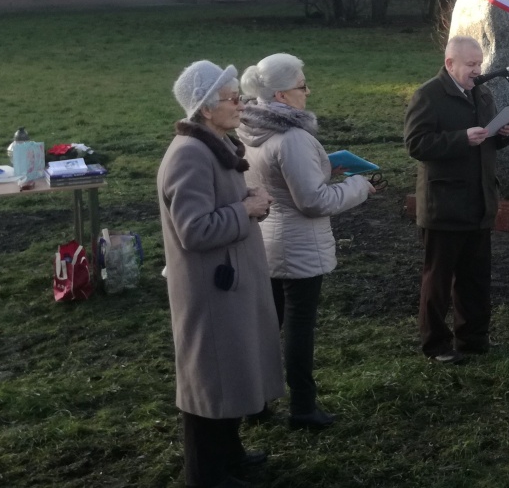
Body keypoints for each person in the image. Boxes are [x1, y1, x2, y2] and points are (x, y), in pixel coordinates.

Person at [158, 60, 285, 488]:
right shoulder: (190, 155)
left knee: (228, 373)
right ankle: (205, 475)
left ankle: (229, 455)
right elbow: (193, 230)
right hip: (210, 290)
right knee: (208, 381)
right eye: (233, 98)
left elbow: (215, 205)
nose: (241, 105)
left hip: (229, 283)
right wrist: (244, 209)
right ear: (206, 108)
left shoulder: (215, 144)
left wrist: (244, 198)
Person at [237, 53, 376, 429]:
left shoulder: (248, 127)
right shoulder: (293, 138)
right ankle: (302, 407)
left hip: (263, 241)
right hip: (297, 246)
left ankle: (256, 402)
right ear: (281, 95)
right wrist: (359, 186)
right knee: (298, 328)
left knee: (267, 325)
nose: (308, 90)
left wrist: (325, 166)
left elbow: (274, 178)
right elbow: (313, 201)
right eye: (302, 85)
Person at [403, 36, 509, 365]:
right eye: (471, 65)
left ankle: (474, 338)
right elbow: (416, 144)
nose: (477, 70)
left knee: (476, 276)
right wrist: (460, 139)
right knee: (438, 280)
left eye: (480, 64)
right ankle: (436, 345)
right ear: (450, 63)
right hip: (443, 204)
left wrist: (504, 134)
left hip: (479, 200)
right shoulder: (428, 95)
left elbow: (490, 145)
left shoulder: (483, 93)